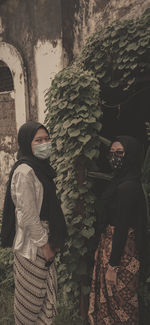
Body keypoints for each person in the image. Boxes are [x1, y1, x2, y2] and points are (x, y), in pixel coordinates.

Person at [1, 121, 67, 325]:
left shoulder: (42, 170)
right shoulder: (25, 172)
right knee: (31, 304)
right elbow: (28, 216)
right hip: (34, 245)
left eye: (47, 139)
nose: (45, 143)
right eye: (38, 140)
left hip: (44, 240)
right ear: (26, 143)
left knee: (46, 297)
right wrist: (45, 246)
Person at [88, 135, 148, 325]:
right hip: (112, 248)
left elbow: (122, 228)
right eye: (112, 153)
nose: (114, 157)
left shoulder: (128, 187)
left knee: (121, 303)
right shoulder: (120, 182)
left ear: (130, 155)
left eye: (120, 153)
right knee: (114, 303)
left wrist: (113, 267)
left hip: (122, 254)